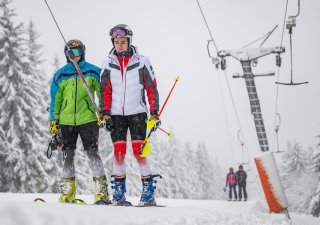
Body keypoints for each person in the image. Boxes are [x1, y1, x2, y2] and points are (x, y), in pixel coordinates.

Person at [100, 24, 161, 206]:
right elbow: (105, 90)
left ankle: (148, 193)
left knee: (139, 152)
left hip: (137, 113)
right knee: (118, 152)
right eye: (116, 42)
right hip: (116, 115)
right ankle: (118, 194)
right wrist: (105, 114)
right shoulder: (108, 62)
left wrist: (154, 113)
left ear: (129, 42)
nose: (119, 45)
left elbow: (151, 88)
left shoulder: (142, 61)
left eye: (123, 42)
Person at [49, 39, 110, 204]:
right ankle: (68, 194)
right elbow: (56, 99)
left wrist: (104, 112)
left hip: (88, 119)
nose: (73, 56)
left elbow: (102, 92)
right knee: (67, 154)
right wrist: (54, 120)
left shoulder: (92, 71)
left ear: (82, 52)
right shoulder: (60, 74)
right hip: (66, 121)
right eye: (69, 53)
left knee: (92, 153)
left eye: (76, 52)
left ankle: (101, 194)